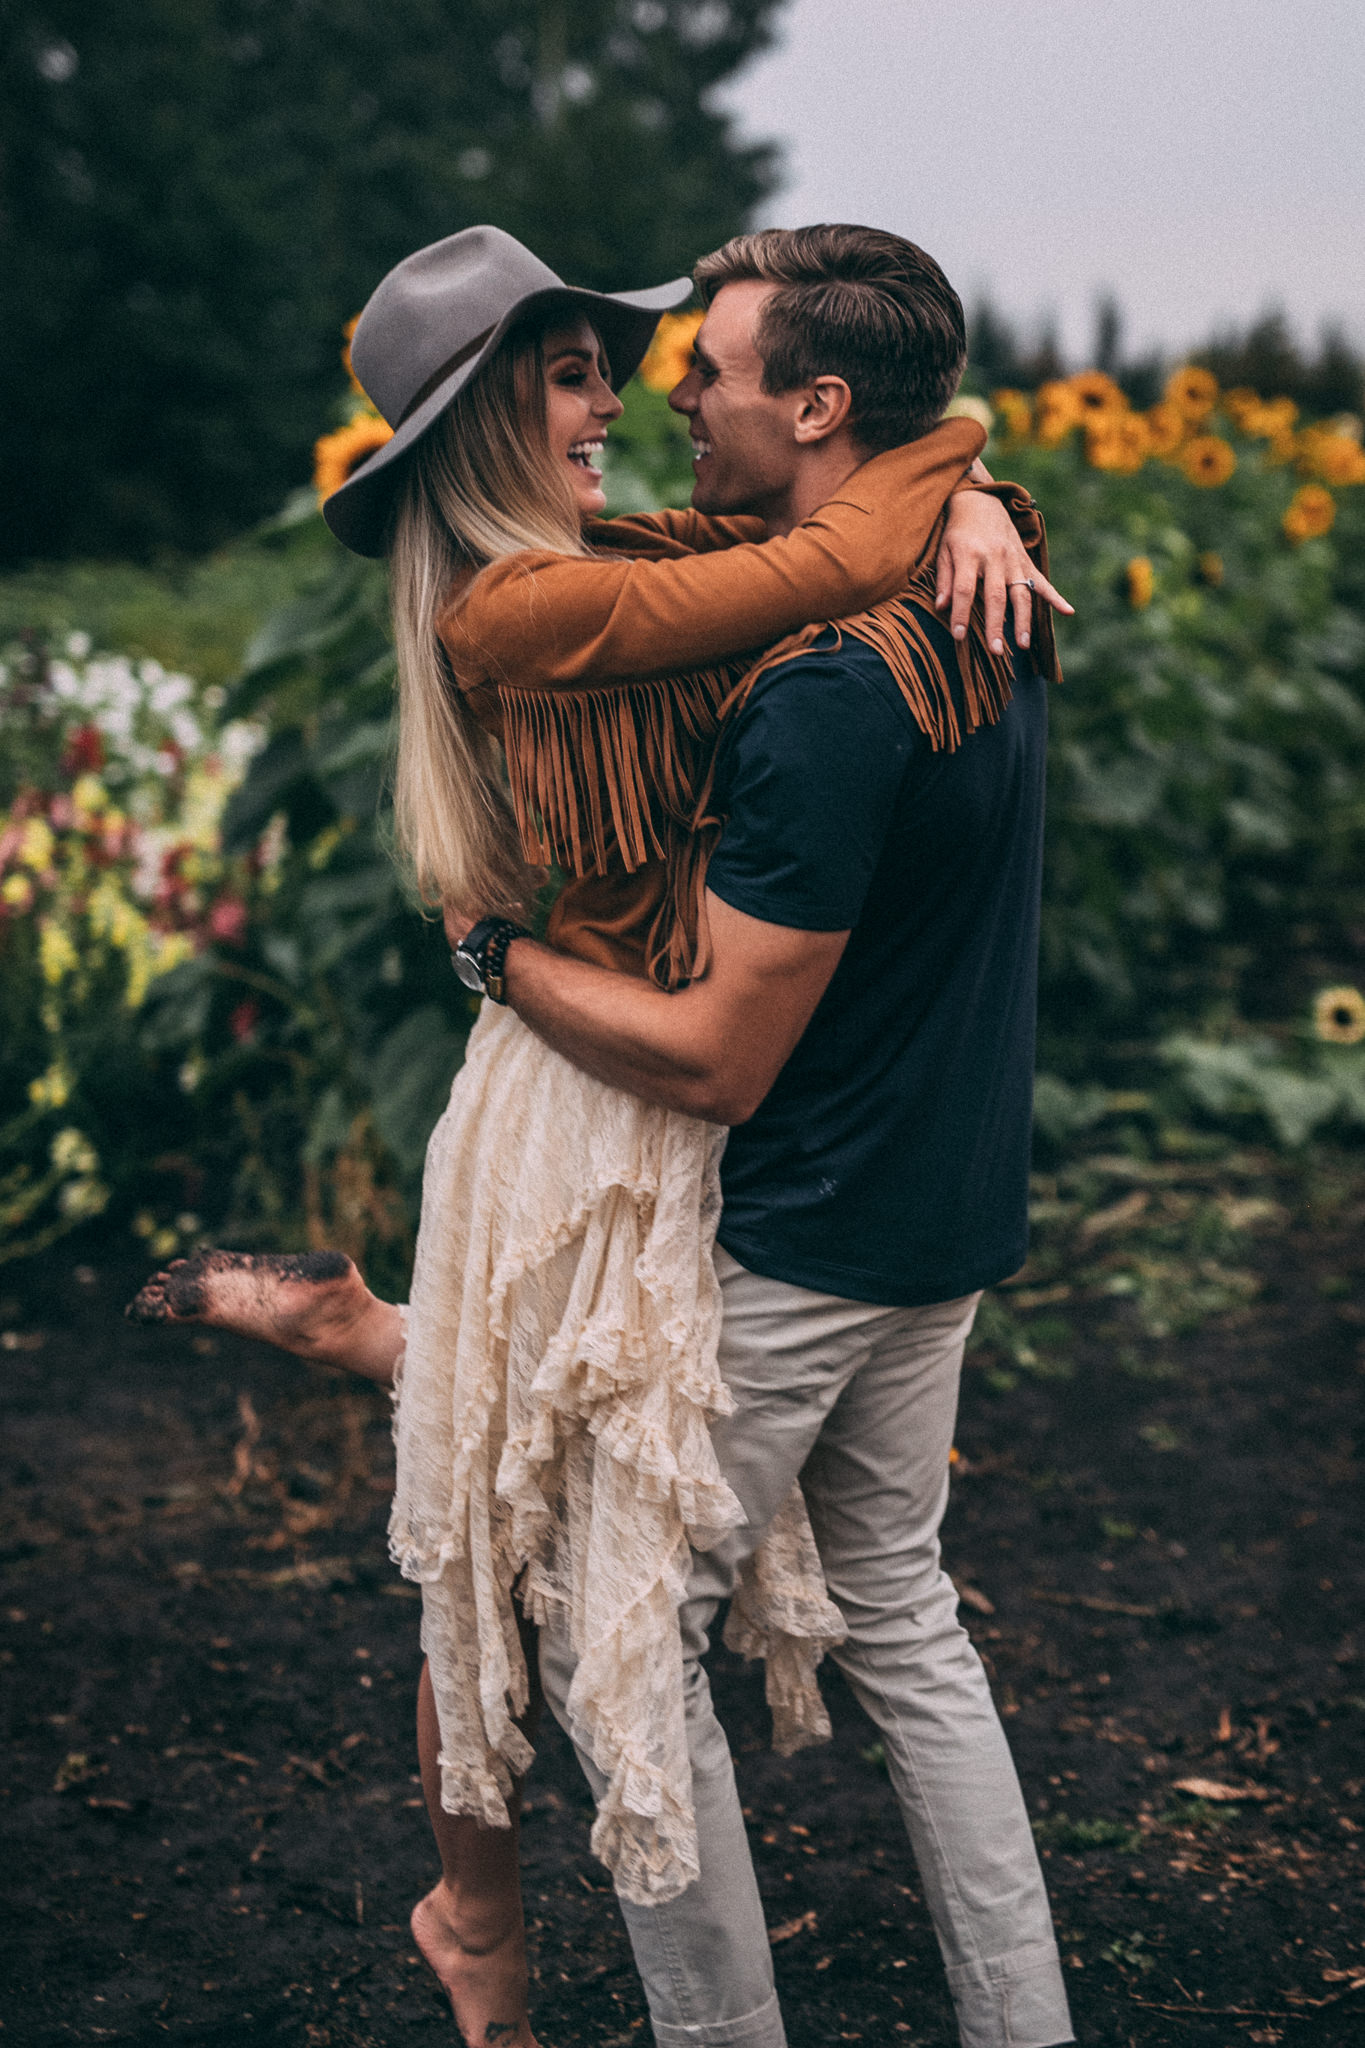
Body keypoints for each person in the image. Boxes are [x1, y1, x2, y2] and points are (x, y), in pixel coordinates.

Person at [131, 223, 1073, 2048]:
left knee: (544, 1497)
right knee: (527, 1514)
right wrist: (948, 477)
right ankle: (480, 1923)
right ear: (491, 412)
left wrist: (979, 495)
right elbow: (829, 545)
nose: (633, 395)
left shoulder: (667, 556)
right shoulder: (522, 603)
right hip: (596, 1071)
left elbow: (822, 548)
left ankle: (380, 1350)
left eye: (656, 366)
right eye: (577, 373)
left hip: (695, 1094)